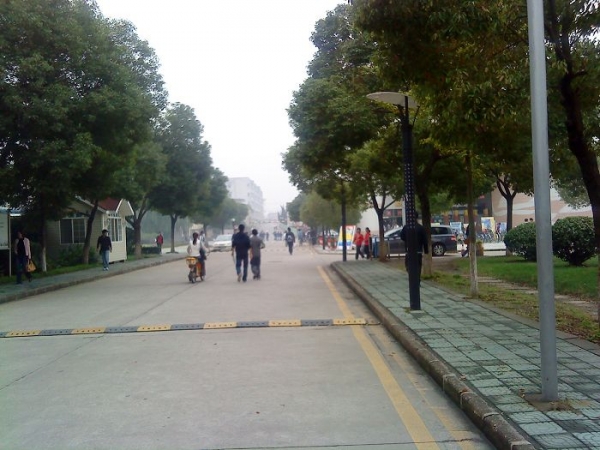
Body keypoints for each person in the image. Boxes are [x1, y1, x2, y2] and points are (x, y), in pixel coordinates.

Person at [400, 213, 429, 284]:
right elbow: (425, 240)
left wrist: (407, 240)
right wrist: (426, 250)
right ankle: (417, 280)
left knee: (408, 265)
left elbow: (402, 236)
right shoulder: (420, 228)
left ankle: (412, 279)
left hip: (409, 251)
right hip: (418, 251)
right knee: (418, 266)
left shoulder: (406, 227)